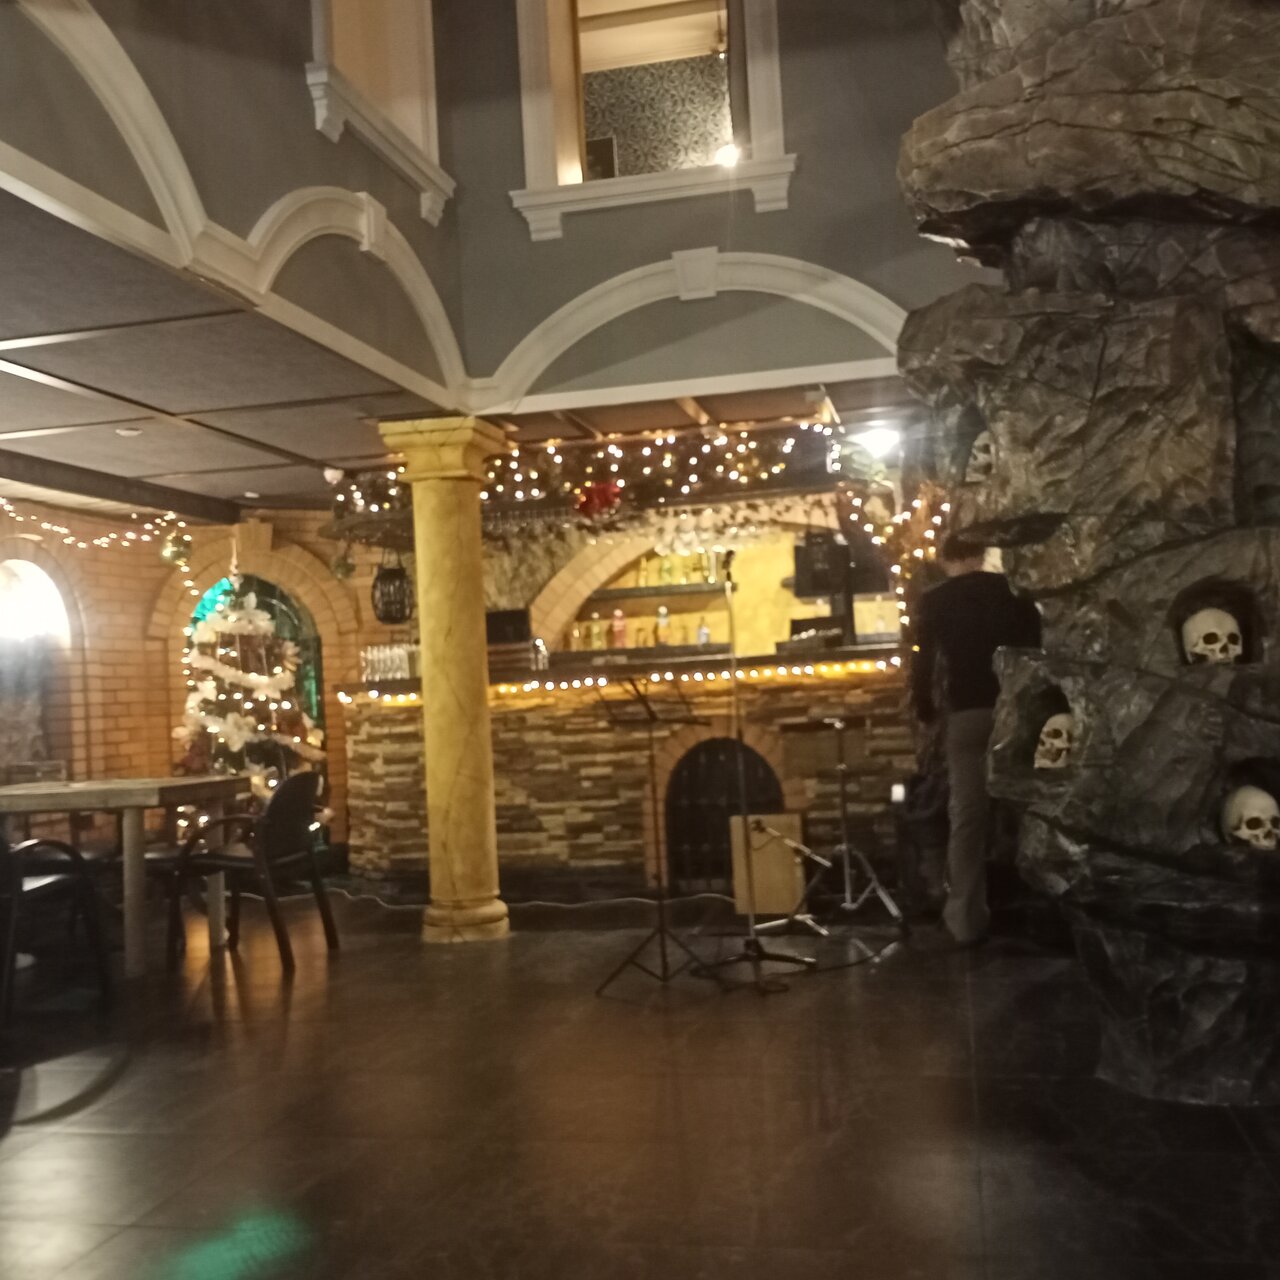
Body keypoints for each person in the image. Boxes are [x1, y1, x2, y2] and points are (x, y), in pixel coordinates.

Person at [911, 535, 1041, 945]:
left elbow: (923, 660)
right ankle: (1041, 908)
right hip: (1017, 708)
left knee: (968, 815)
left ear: (946, 559)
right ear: (982, 554)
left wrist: (925, 708)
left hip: (968, 712)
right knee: (1032, 807)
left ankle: (965, 920)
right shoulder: (1013, 592)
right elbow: (1037, 646)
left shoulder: (935, 600)